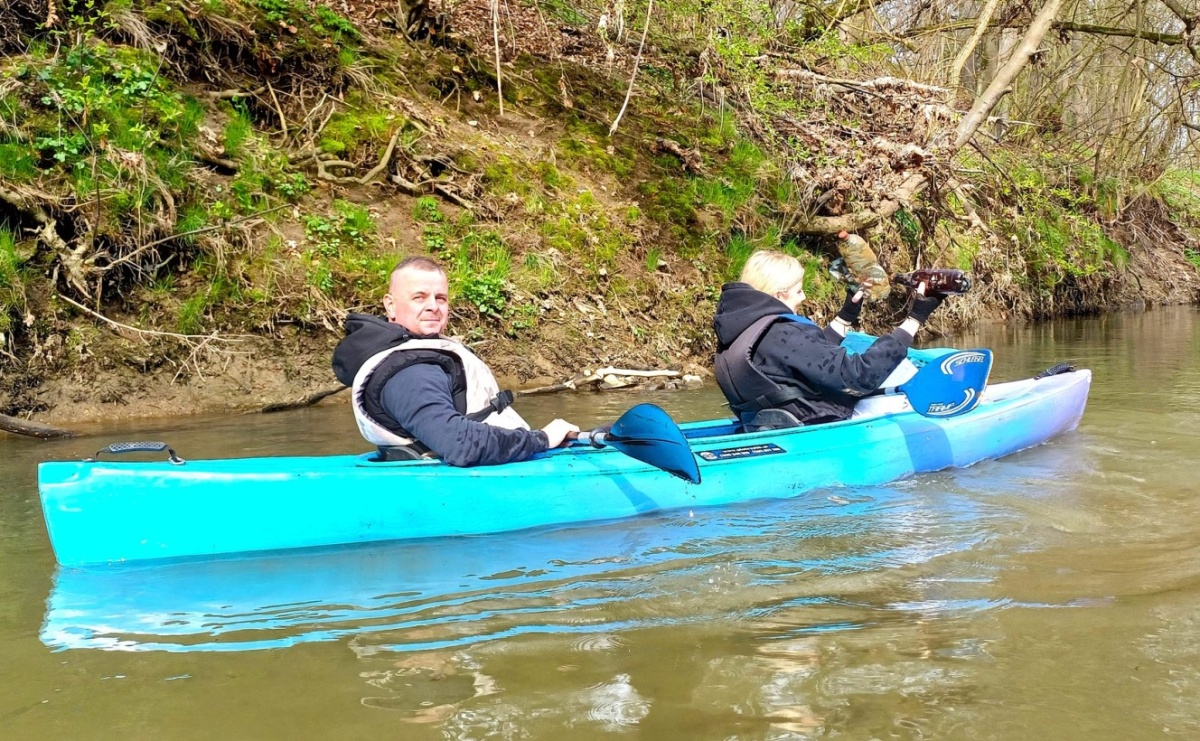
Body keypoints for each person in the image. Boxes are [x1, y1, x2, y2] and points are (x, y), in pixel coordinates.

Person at [332, 255, 578, 466]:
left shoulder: (418, 354)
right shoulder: (410, 372)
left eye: (440, 298)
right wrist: (542, 439)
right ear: (391, 305)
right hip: (458, 485)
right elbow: (459, 444)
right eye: (419, 297)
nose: (433, 307)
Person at [713, 249, 946, 428]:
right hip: (817, 425)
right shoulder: (781, 333)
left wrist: (845, 317)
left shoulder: (741, 331)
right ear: (778, 295)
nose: (803, 298)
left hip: (771, 423)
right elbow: (860, 376)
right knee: (900, 368)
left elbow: (801, 360)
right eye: (798, 291)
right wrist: (915, 317)